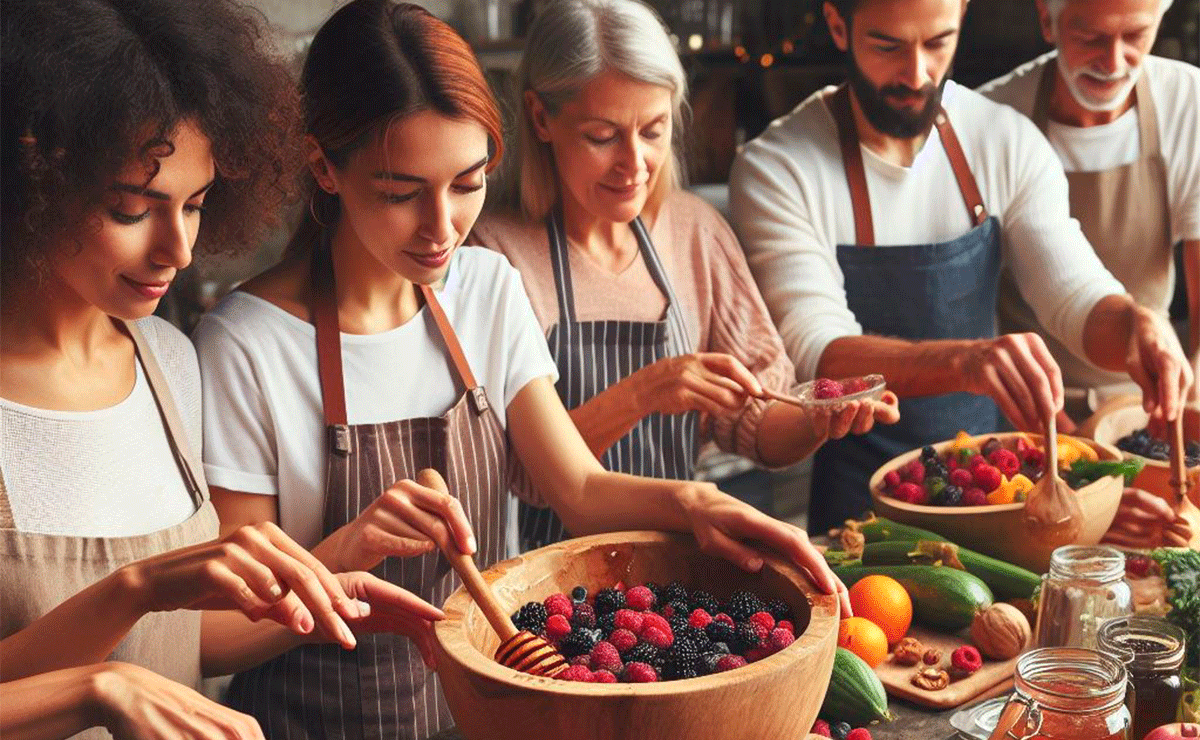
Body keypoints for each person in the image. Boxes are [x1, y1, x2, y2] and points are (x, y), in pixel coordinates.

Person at [194, 2, 852, 737]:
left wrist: (695, 503)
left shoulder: (484, 289)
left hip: (492, 710)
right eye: (401, 193)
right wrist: (345, 551)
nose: (442, 228)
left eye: (467, 182)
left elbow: (577, 489)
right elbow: (212, 633)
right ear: (323, 166)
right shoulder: (245, 346)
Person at [0, 2, 442, 738]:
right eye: (133, 208)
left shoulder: (171, 365)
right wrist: (100, 676)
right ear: (34, 170)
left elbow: (185, 645)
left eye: (196, 205)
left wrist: (324, 585)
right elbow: (129, 637)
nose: (178, 249)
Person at [728, 0, 1194, 534]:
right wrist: (966, 362)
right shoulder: (778, 167)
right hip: (859, 519)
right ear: (838, 25)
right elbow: (819, 355)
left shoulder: (1004, 139)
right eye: (888, 46)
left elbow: (1074, 294)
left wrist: (1136, 325)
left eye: (938, 42)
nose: (918, 73)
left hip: (996, 497)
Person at [470, 0, 900, 553]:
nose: (634, 163)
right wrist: (647, 391)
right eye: (602, 136)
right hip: (547, 587)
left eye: (653, 131)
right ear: (540, 118)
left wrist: (818, 418)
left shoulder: (695, 231)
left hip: (680, 580)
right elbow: (518, 473)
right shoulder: (494, 256)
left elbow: (758, 422)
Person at [979, 0, 1198, 547]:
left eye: (1136, 36)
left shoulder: (1188, 102)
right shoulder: (993, 117)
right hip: (1023, 420)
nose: (1115, 60)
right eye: (1090, 37)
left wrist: (1184, 428)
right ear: (1047, 20)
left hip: (1148, 407)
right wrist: (1072, 459)